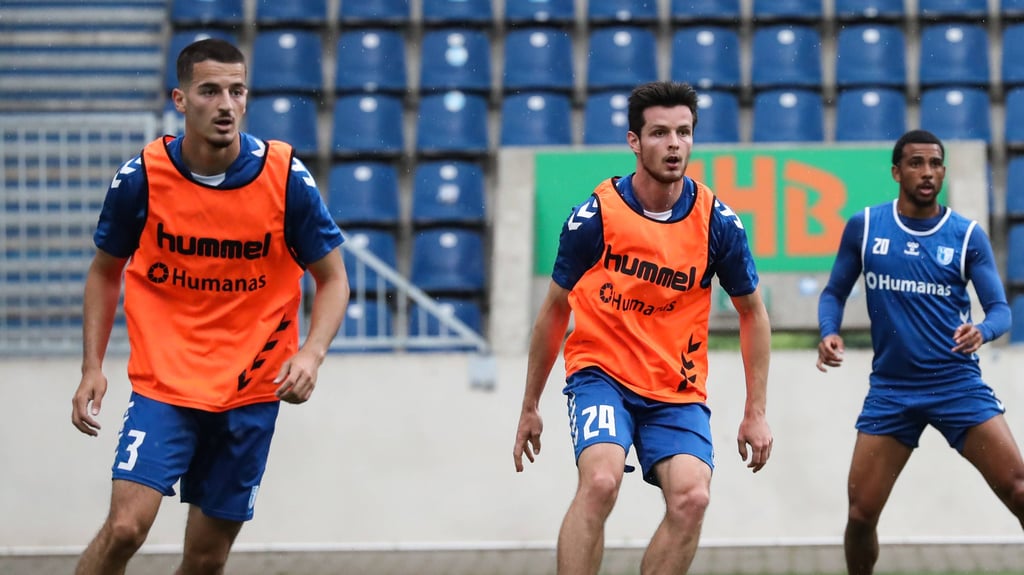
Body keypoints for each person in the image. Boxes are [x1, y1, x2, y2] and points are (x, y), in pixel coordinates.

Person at [69, 38, 349, 575]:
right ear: (180, 99)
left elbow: (333, 280)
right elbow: (105, 272)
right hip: (164, 386)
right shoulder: (142, 178)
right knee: (126, 528)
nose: (225, 103)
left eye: (237, 91)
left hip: (250, 392)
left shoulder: (285, 179)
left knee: (203, 560)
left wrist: (312, 354)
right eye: (210, 90)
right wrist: (91, 367)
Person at [512, 81, 774, 574]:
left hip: (675, 387)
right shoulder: (595, 218)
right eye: (659, 133)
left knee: (693, 497)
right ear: (634, 141)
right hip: (601, 373)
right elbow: (553, 311)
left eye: (683, 132)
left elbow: (753, 314)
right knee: (601, 482)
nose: (674, 144)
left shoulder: (718, 223)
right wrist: (529, 406)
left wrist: (755, 411)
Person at [817, 129, 1024, 575]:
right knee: (859, 515)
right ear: (896, 172)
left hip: (957, 386)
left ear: (944, 171)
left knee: (1020, 491)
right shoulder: (867, 226)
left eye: (935, 164)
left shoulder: (967, 235)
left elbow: (1002, 310)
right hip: (892, 391)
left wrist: (984, 331)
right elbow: (834, 291)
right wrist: (830, 332)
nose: (927, 173)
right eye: (916, 163)